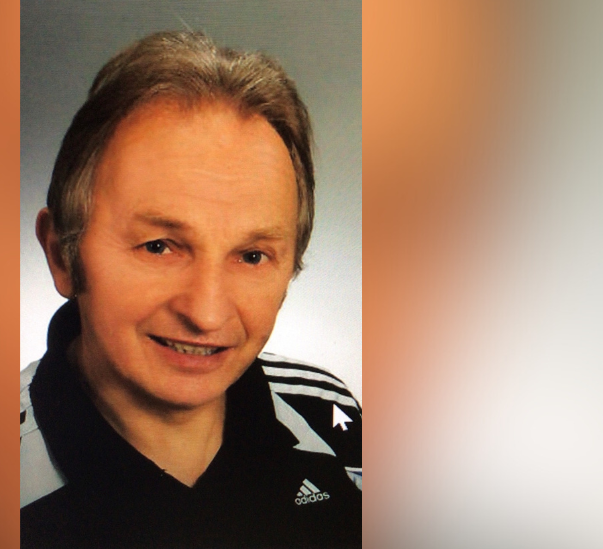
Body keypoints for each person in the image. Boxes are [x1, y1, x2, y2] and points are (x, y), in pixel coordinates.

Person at [20, 31, 361, 548]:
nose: (205, 314)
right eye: (159, 246)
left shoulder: (329, 414)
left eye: (251, 256)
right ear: (62, 254)